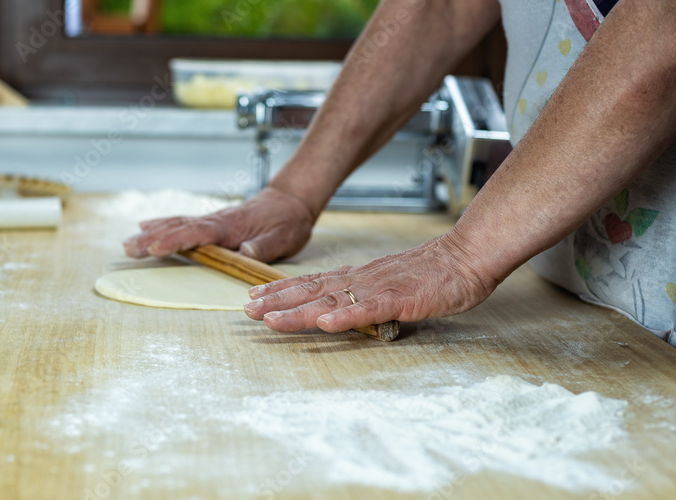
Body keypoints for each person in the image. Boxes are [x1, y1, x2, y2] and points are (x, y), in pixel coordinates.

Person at [124, 0, 676, 345]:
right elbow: (440, 7)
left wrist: (466, 255)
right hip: (569, 294)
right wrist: (294, 190)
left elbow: (662, 32)